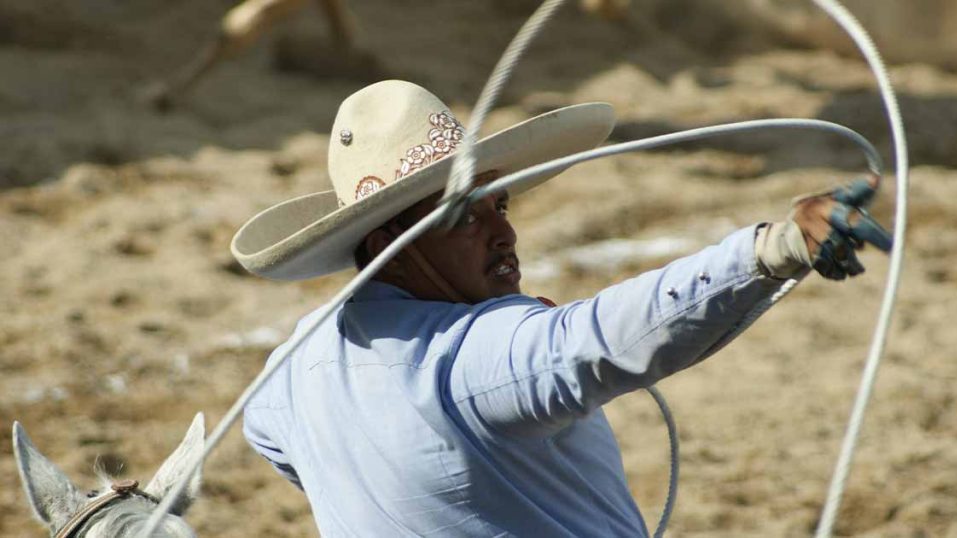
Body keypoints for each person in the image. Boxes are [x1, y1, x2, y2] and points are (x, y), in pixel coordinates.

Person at [231, 80, 890, 536]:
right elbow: (598, 339)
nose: (503, 233)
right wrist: (772, 250)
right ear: (389, 247)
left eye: (501, 204)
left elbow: (269, 435)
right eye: (465, 216)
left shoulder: (290, 373)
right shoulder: (473, 361)